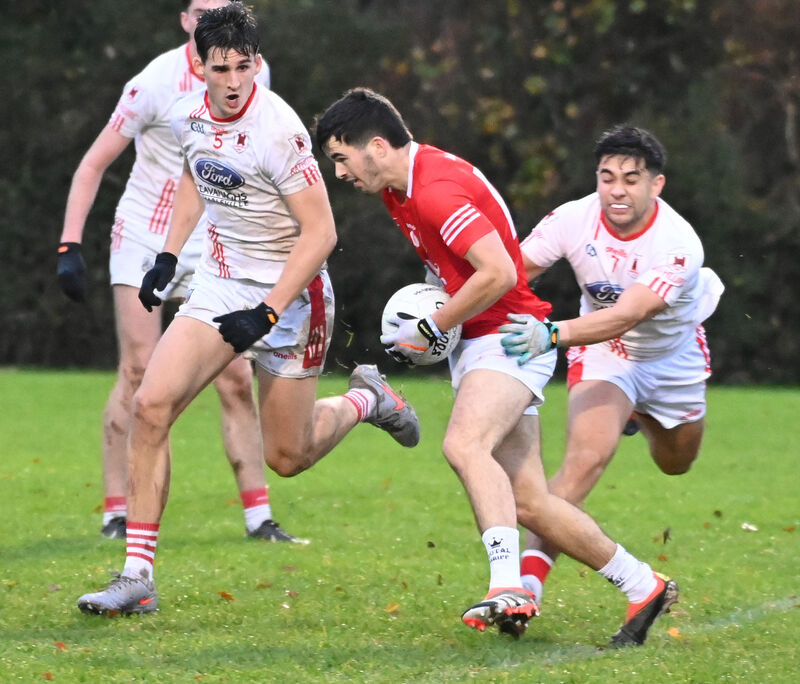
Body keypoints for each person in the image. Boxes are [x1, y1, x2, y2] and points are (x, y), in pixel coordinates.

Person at [76, 3, 418, 617]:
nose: (234, 81)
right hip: (221, 283)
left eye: (243, 66)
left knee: (288, 457)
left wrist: (266, 313)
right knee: (150, 406)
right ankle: (137, 577)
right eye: (221, 67)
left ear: (256, 63)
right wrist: (168, 255)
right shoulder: (188, 114)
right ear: (199, 66)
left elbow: (322, 235)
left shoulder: (278, 130)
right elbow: (194, 176)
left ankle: (368, 399)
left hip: (293, 295)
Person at [315, 88, 678, 646]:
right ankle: (642, 584)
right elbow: (464, 272)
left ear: (378, 146)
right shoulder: (401, 188)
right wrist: (436, 316)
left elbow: (499, 274)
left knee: (464, 445)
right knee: (530, 500)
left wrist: (436, 325)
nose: (338, 171)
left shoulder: (433, 190)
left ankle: (508, 585)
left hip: (509, 339)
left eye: (341, 157)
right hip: (483, 340)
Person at [56, 1, 300, 543]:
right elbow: (94, 162)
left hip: (208, 239)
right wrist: (69, 244)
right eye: (201, 10)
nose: (233, 76)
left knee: (237, 377)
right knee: (140, 368)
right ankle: (118, 510)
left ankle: (259, 516)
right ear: (184, 19)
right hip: (146, 234)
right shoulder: (154, 83)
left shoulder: (245, 69)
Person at [498, 124, 724, 608]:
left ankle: (639, 415)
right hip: (605, 352)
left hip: (671, 358)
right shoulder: (572, 219)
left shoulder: (677, 243)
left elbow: (628, 314)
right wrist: (452, 311)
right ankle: (525, 588)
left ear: (655, 185)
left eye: (631, 178)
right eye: (607, 177)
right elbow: (510, 272)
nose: (616, 190)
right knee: (583, 463)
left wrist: (549, 333)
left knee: (676, 463)